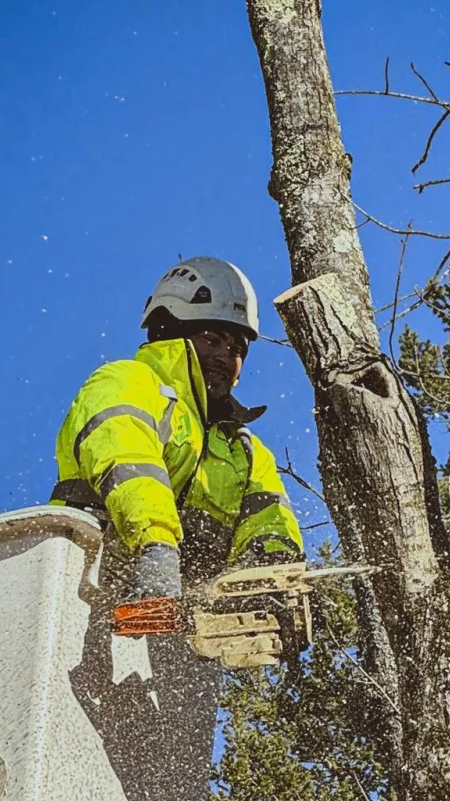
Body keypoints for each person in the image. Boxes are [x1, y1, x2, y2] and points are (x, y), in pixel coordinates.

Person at [51, 257, 303, 629]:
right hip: (83, 586)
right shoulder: (128, 382)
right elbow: (127, 459)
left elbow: (270, 525)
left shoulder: (244, 451)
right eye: (212, 339)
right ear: (171, 330)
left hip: (177, 620)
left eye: (237, 349)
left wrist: (268, 579)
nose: (226, 356)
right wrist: (157, 549)